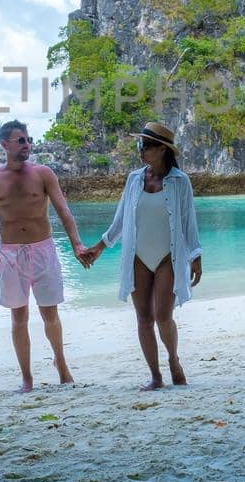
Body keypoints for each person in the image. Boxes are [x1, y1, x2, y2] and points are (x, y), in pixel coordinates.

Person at [81, 122, 203, 390]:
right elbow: (121, 219)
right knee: (143, 319)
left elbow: (188, 222)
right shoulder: (134, 179)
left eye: (147, 146)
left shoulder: (180, 182)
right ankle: (156, 376)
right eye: (141, 145)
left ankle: (173, 360)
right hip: (137, 256)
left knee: (162, 316)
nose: (141, 150)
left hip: (167, 257)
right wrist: (100, 247)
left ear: (162, 149)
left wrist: (195, 255)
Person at [0, 119, 90, 393]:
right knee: (19, 318)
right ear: (5, 144)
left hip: (43, 250)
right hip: (11, 255)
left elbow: (63, 210)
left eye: (28, 140)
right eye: (21, 140)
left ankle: (61, 364)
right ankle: (27, 378)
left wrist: (76, 244)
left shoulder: (43, 174)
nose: (27, 145)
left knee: (50, 313)